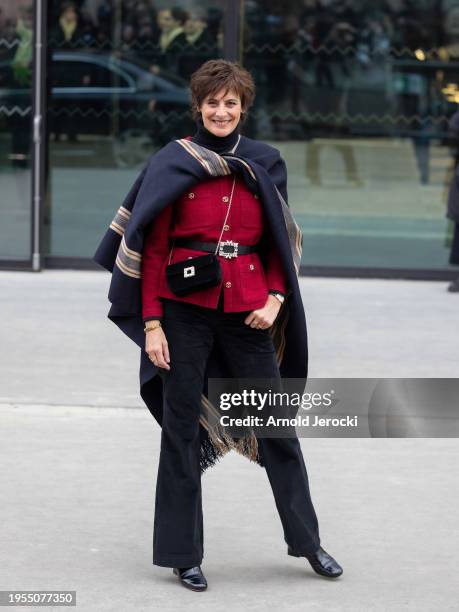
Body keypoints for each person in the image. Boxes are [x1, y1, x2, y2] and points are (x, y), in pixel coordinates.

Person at [93, 59, 343, 591]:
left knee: (278, 431)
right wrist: (153, 324)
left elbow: (278, 238)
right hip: (183, 312)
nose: (221, 111)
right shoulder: (172, 162)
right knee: (181, 432)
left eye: (231, 102)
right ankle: (183, 554)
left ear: (243, 107)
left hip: (248, 311)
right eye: (213, 102)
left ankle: (308, 542)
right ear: (198, 106)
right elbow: (154, 245)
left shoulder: (265, 161)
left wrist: (276, 297)